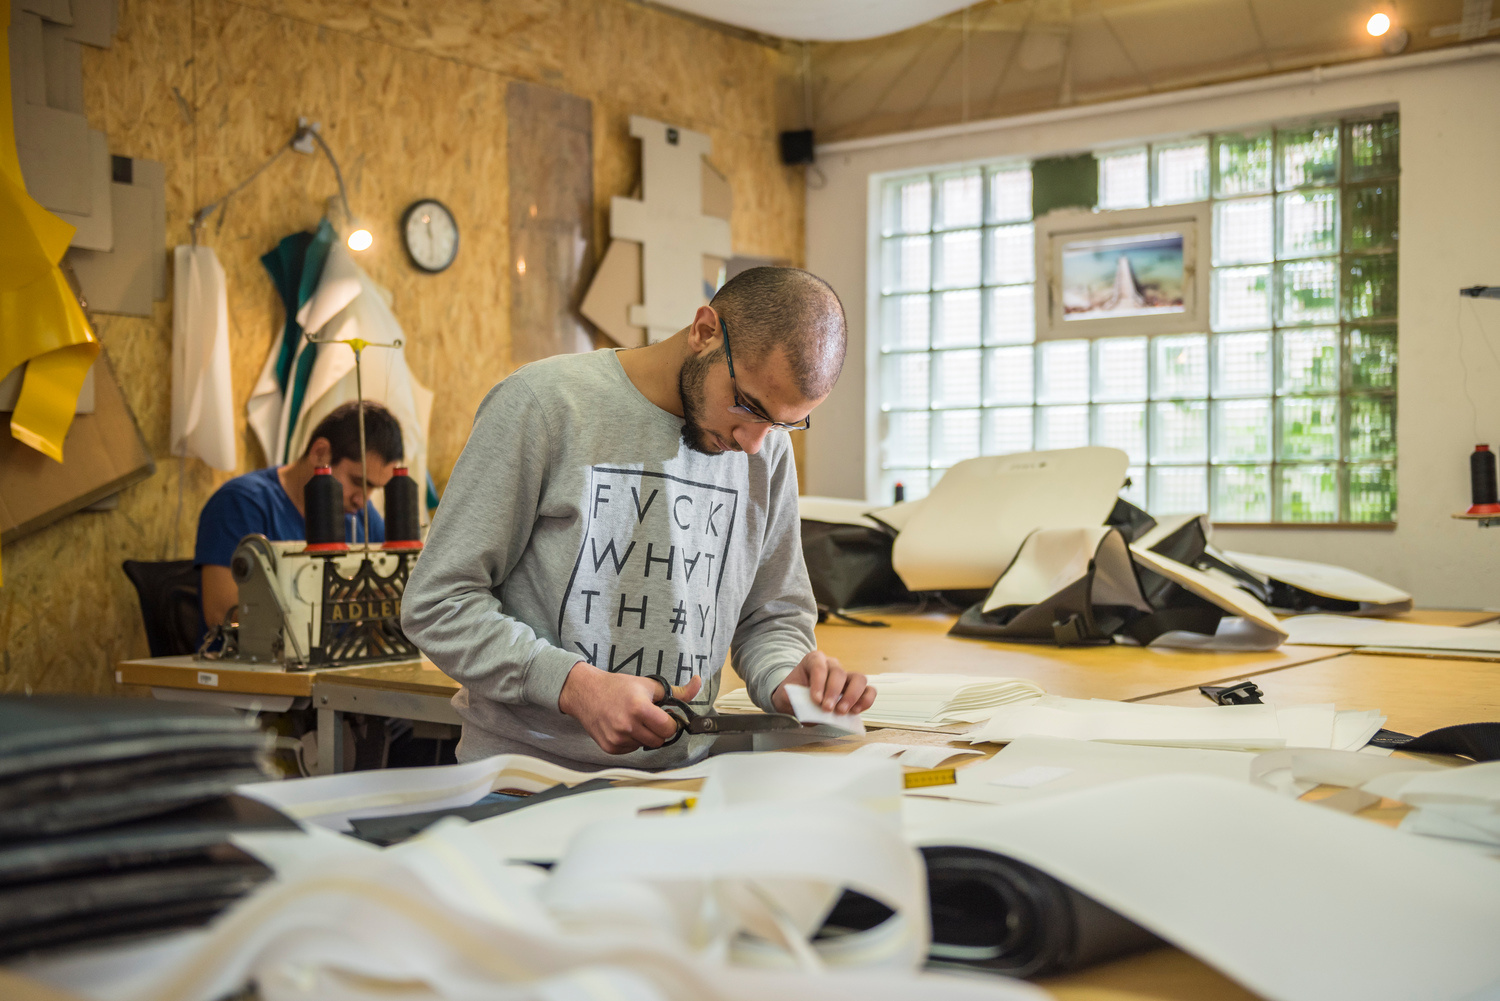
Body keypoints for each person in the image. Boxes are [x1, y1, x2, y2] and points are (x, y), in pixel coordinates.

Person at [403, 267, 876, 769]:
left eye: (783, 423)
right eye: (746, 405)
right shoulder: (544, 405)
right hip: (529, 779)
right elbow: (438, 603)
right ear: (704, 331)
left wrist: (787, 677)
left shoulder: (765, 448)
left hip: (681, 786)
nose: (752, 442)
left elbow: (771, 617)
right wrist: (573, 686)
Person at [195, 401, 404, 631]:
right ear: (320, 453)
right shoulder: (241, 504)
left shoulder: (361, 516)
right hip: (250, 664)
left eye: (373, 488)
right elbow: (221, 613)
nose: (361, 499)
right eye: (357, 482)